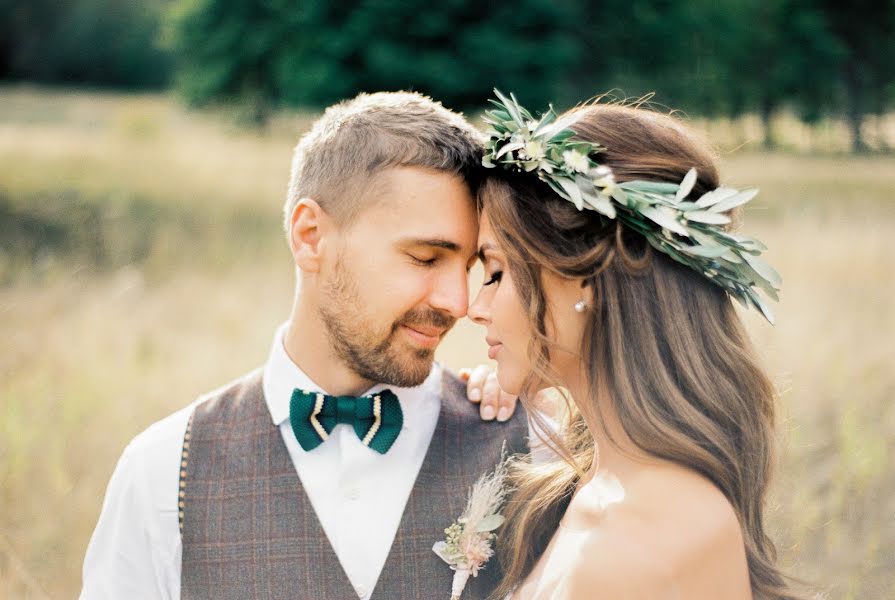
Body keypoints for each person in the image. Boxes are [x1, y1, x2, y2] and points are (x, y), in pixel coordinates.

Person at [80, 91, 529, 600]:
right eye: (425, 258)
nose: (457, 301)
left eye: (470, 266)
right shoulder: (161, 472)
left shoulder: (528, 445)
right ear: (310, 236)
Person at [468, 92, 800, 599]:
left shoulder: (655, 542)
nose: (475, 307)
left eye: (495, 272)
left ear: (586, 279)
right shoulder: (590, 486)